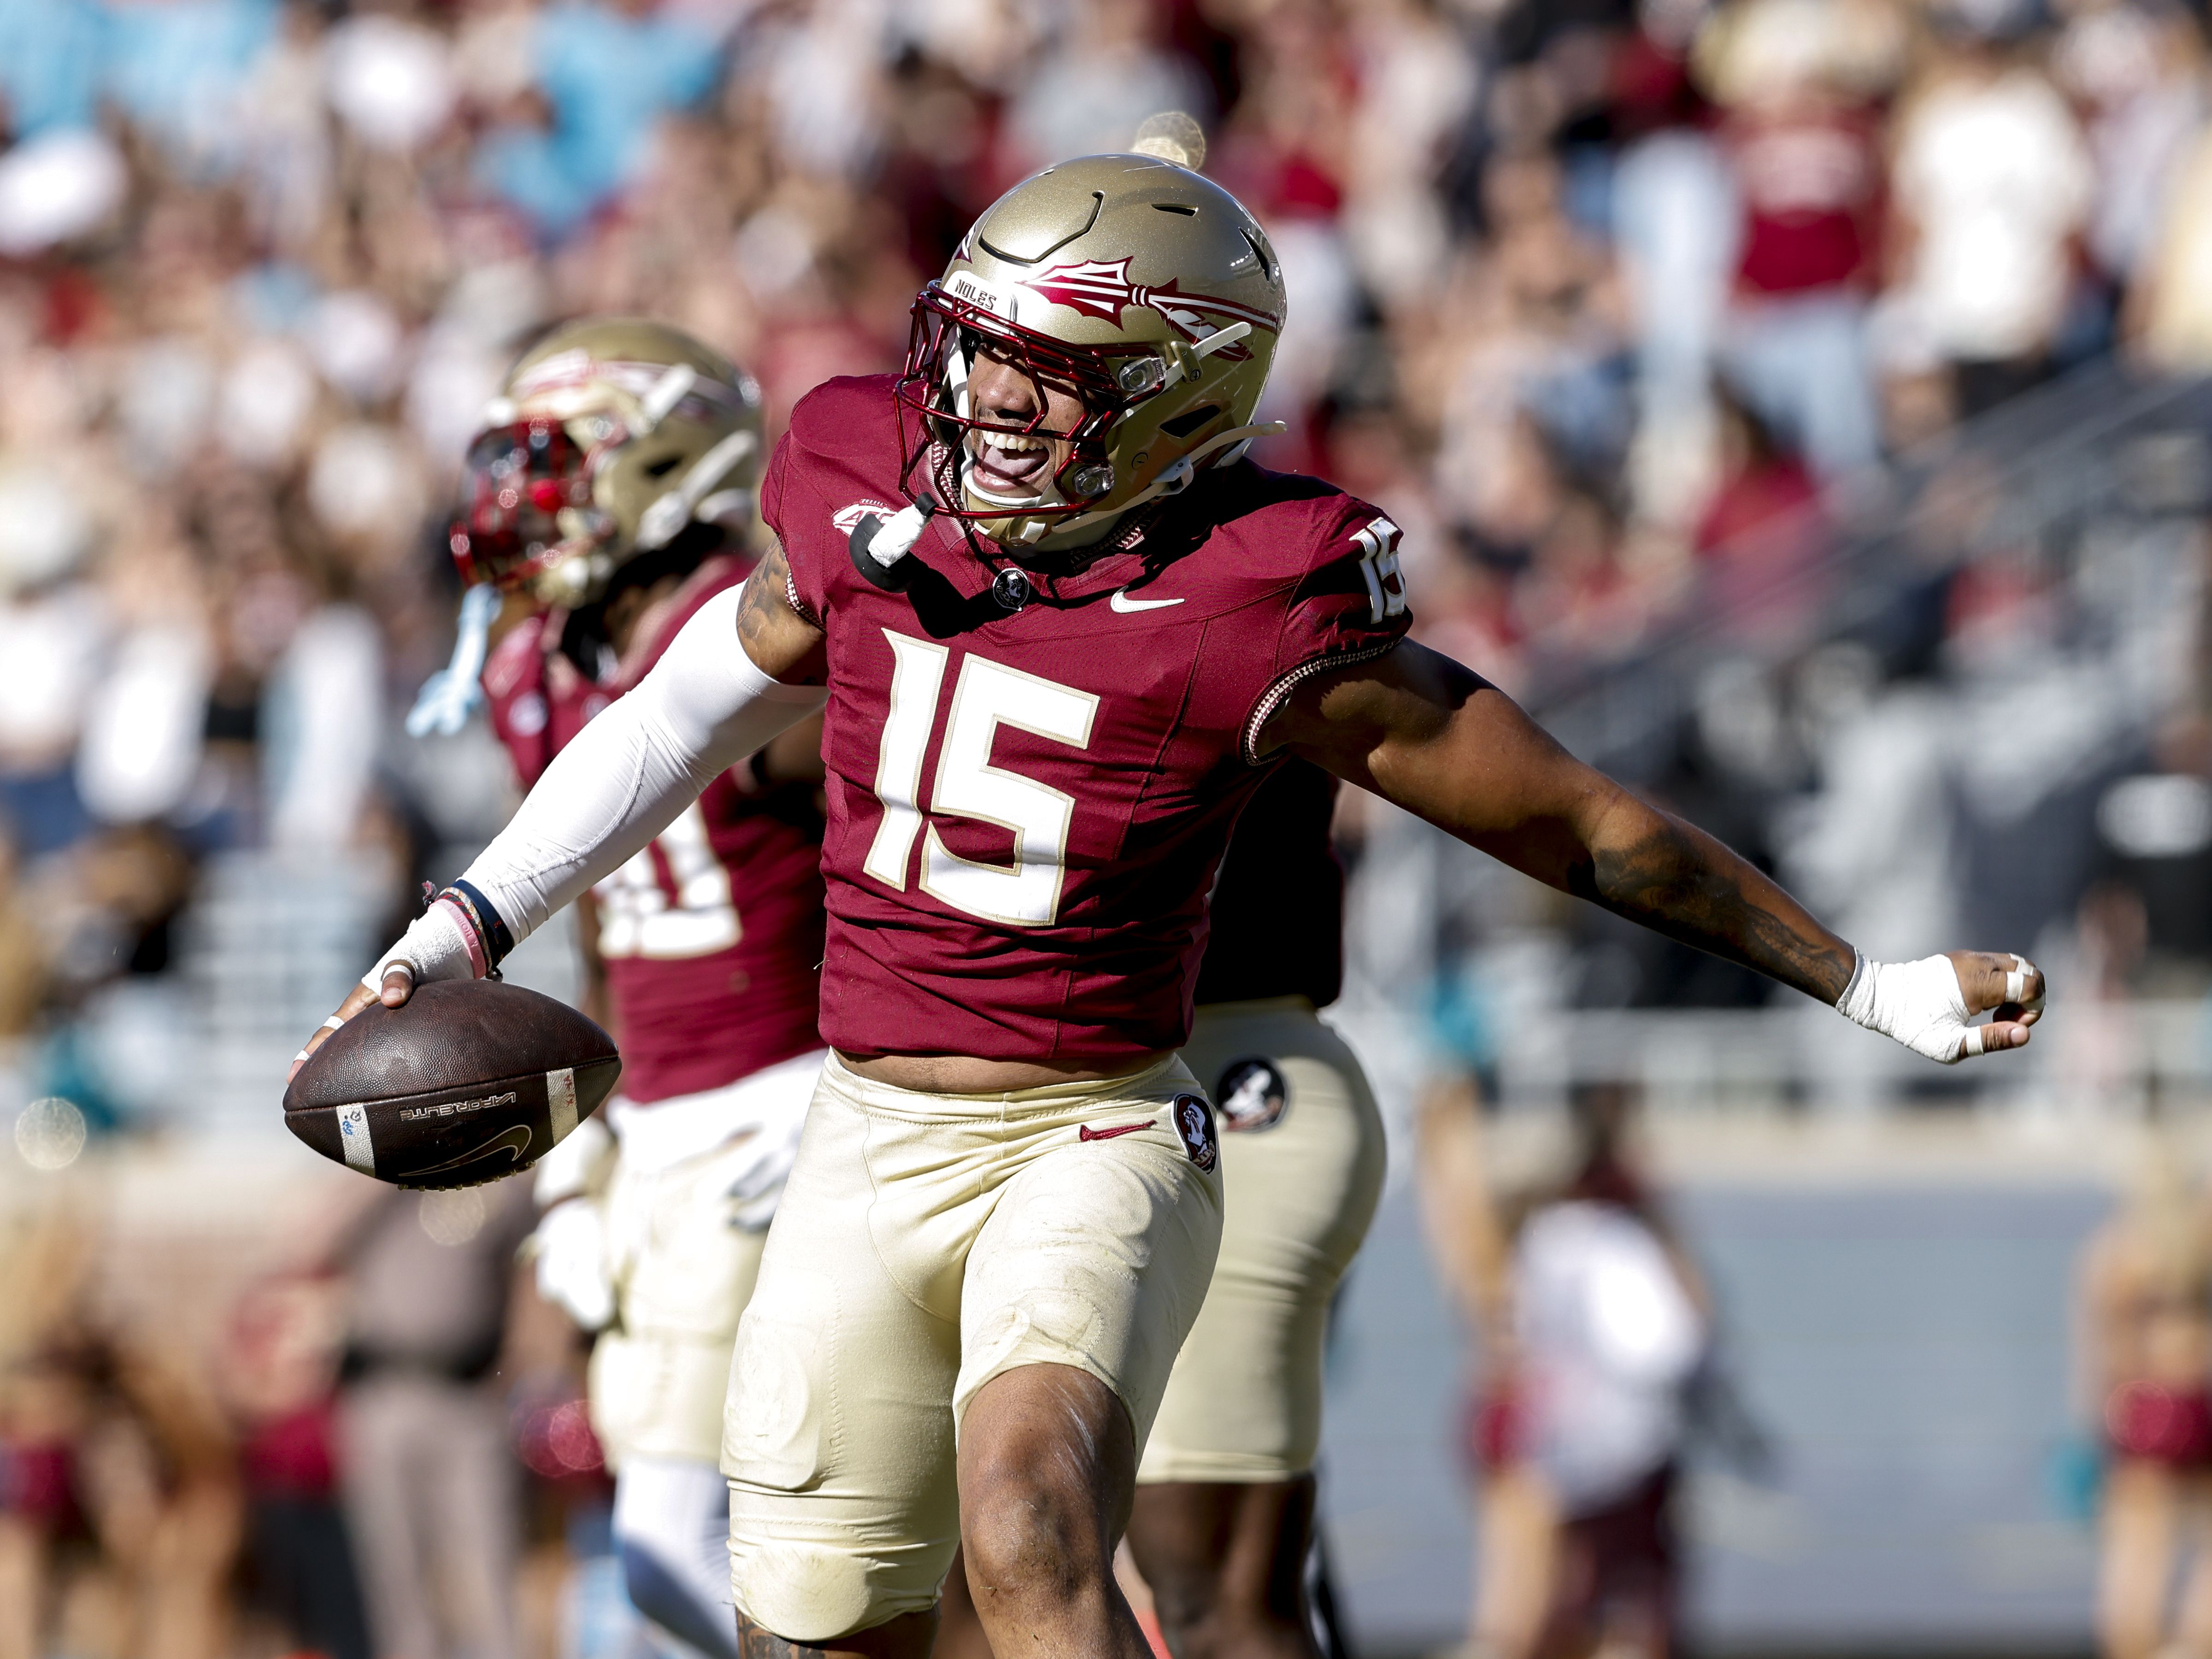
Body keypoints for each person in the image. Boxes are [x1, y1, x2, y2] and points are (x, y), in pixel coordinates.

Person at [298, 151, 2044, 1659]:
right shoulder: (862, 488)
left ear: (1172, 394)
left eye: (1037, 374)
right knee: (805, 1619)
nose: (978, 403)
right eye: (971, 355)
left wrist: (1865, 983)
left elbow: (1580, 827)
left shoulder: (1261, 604)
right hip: (860, 1130)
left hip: (1098, 1128)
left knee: (1033, 1515)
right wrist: (463, 925)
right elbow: (675, 715)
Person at [420, 318, 829, 1659]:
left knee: (734, 1537)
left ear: (662, 464)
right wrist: (599, 1123)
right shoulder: (538, 663)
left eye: (553, 466)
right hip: (665, 1116)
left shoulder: (748, 637)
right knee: (670, 1550)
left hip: (797, 1098)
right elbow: (597, 906)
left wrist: (865, 1084)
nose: (516, 505)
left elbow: (898, 859)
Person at [935, 758, 1382, 1659]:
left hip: (1220, 1058)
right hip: (980, 1073)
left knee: (1214, 1591)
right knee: (965, 1575)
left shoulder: (1239, 615)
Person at [2077, 1137, 2212, 1659]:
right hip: (2197, 1397)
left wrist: (2098, 1421)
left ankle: (2136, 1648)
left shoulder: (2117, 1251)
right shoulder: (2197, 1241)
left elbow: (2102, 1348)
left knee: (2137, 1542)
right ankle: (2196, 1644)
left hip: (2144, 1407)